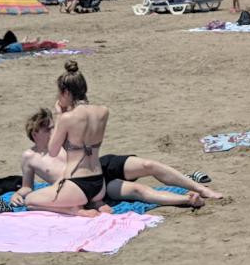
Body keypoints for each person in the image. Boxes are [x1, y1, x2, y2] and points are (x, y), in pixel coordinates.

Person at [12, 109, 219, 210]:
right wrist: (19, 194)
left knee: (149, 165)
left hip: (100, 166)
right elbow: (27, 186)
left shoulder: (62, 140)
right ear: (36, 132)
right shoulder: (29, 157)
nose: (53, 130)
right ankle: (188, 199)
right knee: (138, 192)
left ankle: (201, 189)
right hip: (85, 185)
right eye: (48, 128)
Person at [22, 62, 110, 216]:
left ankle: (73, 210)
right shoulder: (103, 112)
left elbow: (53, 151)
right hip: (99, 184)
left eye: (59, 93)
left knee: (30, 201)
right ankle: (96, 203)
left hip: (77, 183)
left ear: (66, 92)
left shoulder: (67, 118)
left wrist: (58, 116)